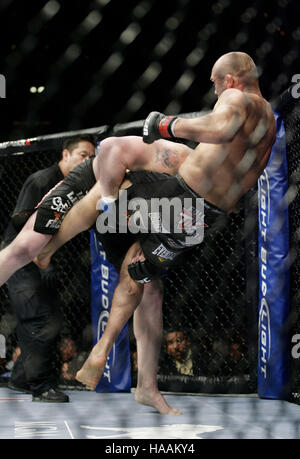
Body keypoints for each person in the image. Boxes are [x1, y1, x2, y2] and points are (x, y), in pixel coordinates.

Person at [69, 51, 276, 390]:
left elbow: (221, 127)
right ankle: (105, 344)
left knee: (113, 157)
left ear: (229, 80)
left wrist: (169, 124)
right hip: (202, 218)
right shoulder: (268, 116)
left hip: (178, 194)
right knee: (139, 268)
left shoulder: (236, 97)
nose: (214, 93)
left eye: (214, 84)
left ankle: (53, 241)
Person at [0, 132, 190, 414]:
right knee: (27, 247)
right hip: (97, 189)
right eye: (82, 153)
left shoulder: (192, 201)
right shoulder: (176, 157)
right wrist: (51, 248)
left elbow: (137, 271)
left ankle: (147, 387)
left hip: (125, 210)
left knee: (150, 288)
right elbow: (97, 190)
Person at [2, 135, 96, 402]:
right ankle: (41, 387)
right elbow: (21, 221)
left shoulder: (79, 188)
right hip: (21, 259)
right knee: (39, 320)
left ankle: (22, 379)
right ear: (65, 155)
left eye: (91, 157)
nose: (87, 161)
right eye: (83, 155)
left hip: (43, 260)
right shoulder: (42, 180)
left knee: (49, 318)